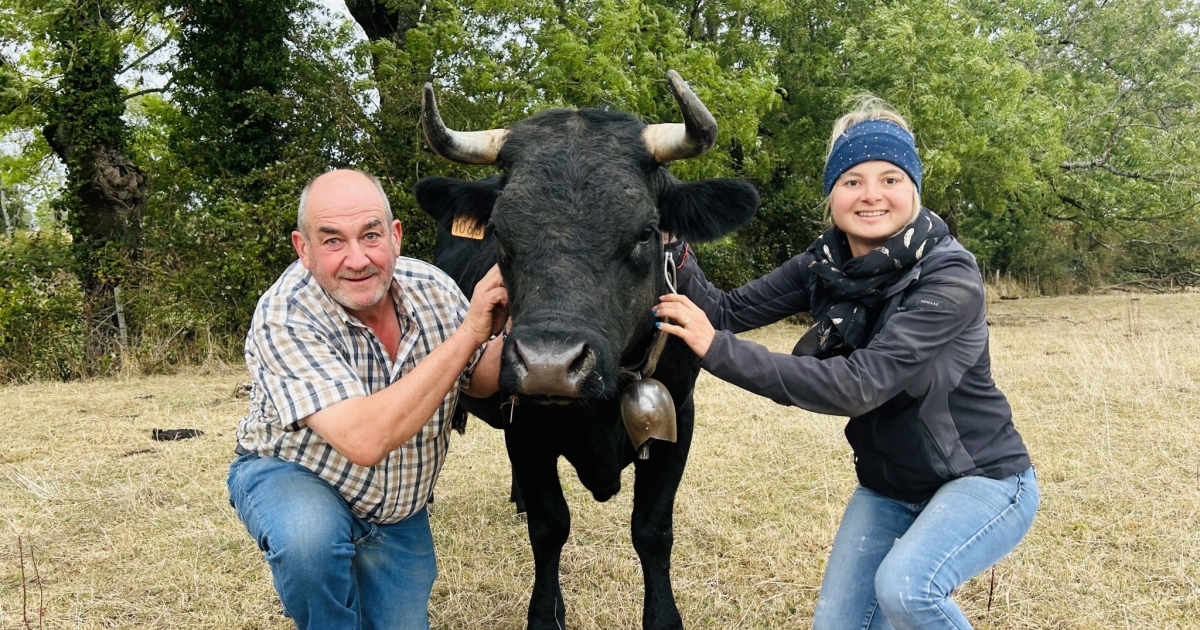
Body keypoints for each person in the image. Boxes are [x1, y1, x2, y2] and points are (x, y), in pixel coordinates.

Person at [653, 97, 1037, 630]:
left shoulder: (950, 278)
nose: (872, 195)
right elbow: (727, 311)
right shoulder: (824, 262)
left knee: (908, 590)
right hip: (889, 486)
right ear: (832, 193)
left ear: (914, 191)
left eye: (891, 179)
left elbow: (859, 385)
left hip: (984, 480)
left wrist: (715, 349)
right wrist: (674, 246)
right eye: (852, 180)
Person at [227, 169, 507, 630]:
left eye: (371, 235)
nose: (357, 259)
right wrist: (472, 331)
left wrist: (521, 321)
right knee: (309, 541)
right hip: (299, 473)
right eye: (332, 240)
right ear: (304, 249)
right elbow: (364, 439)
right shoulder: (285, 313)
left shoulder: (433, 288)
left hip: (396, 508)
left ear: (395, 236)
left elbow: (476, 379)